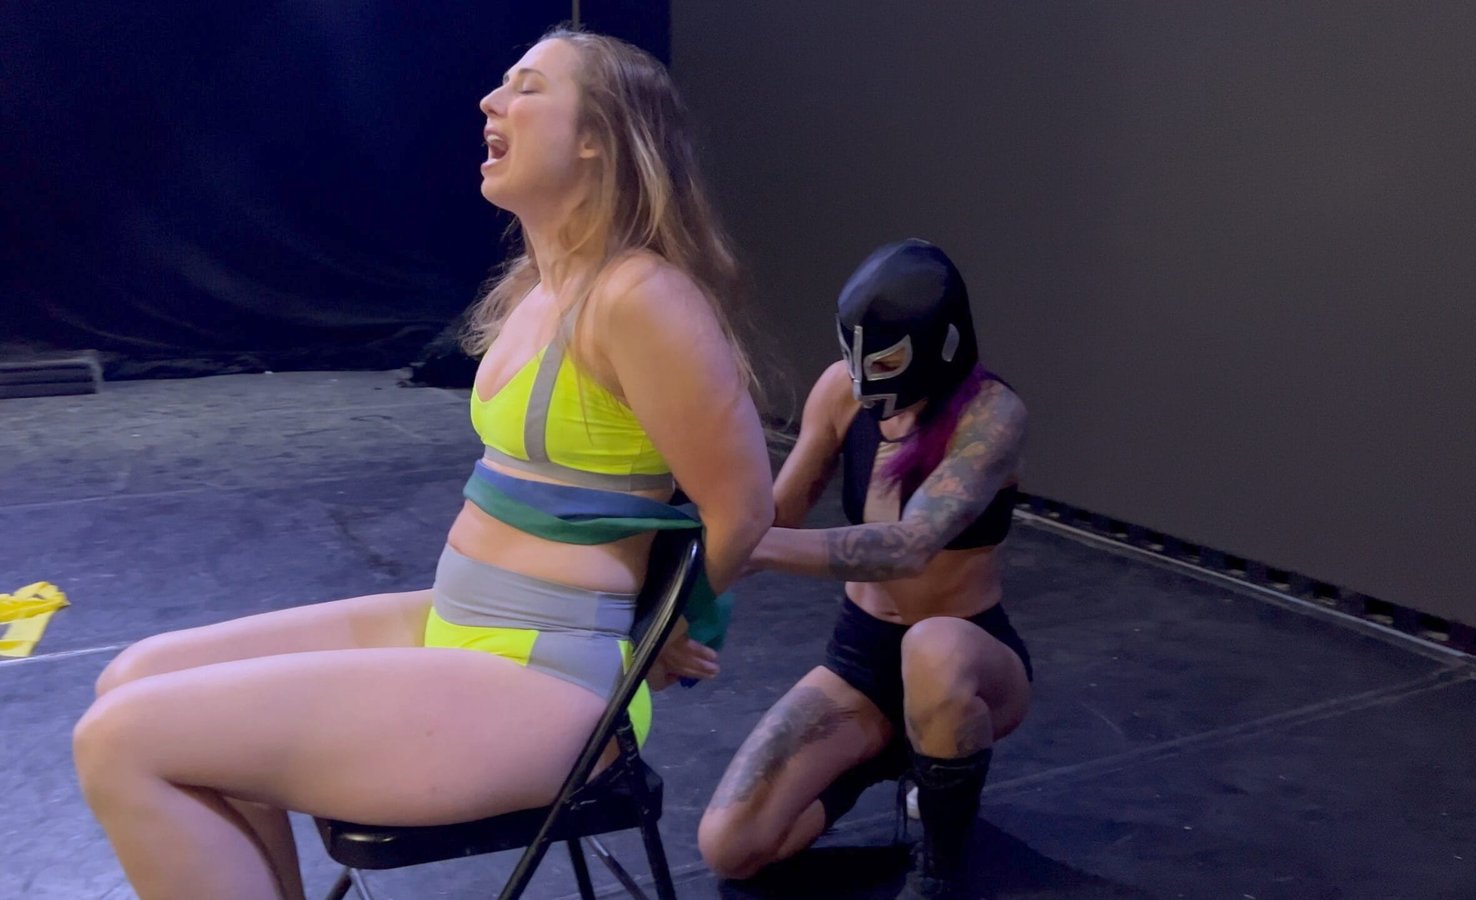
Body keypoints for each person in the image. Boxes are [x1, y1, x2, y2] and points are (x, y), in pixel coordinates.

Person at [72, 27, 773, 900]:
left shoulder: (642, 296)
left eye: (527, 87)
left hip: (550, 679)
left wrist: (667, 629)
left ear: (600, 135)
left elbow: (741, 505)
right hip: (462, 623)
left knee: (123, 739)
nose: (491, 101)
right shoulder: (539, 286)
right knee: (132, 677)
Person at [696, 239, 1031, 900]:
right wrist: (686, 557)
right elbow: (776, 517)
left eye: (882, 364)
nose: (863, 382)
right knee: (731, 848)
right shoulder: (840, 393)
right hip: (863, 658)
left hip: (968, 657)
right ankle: (888, 755)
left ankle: (939, 872)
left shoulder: (993, 417)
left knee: (932, 648)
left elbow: (909, 544)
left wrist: (748, 547)